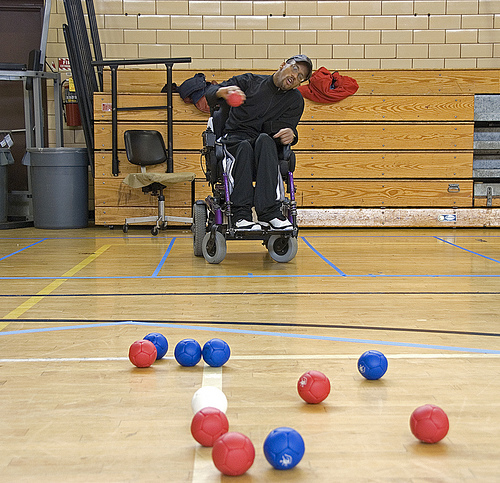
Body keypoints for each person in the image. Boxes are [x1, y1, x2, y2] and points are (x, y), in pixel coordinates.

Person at [204, 55, 313, 230]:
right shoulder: (249, 82)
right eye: (294, 69)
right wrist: (221, 92)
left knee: (265, 140)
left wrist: (292, 134)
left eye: (301, 77)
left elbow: (286, 130)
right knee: (245, 147)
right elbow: (210, 93)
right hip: (235, 140)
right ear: (283, 64)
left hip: (264, 146)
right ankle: (241, 215)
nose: (296, 76)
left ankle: (270, 214)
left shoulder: (295, 101)